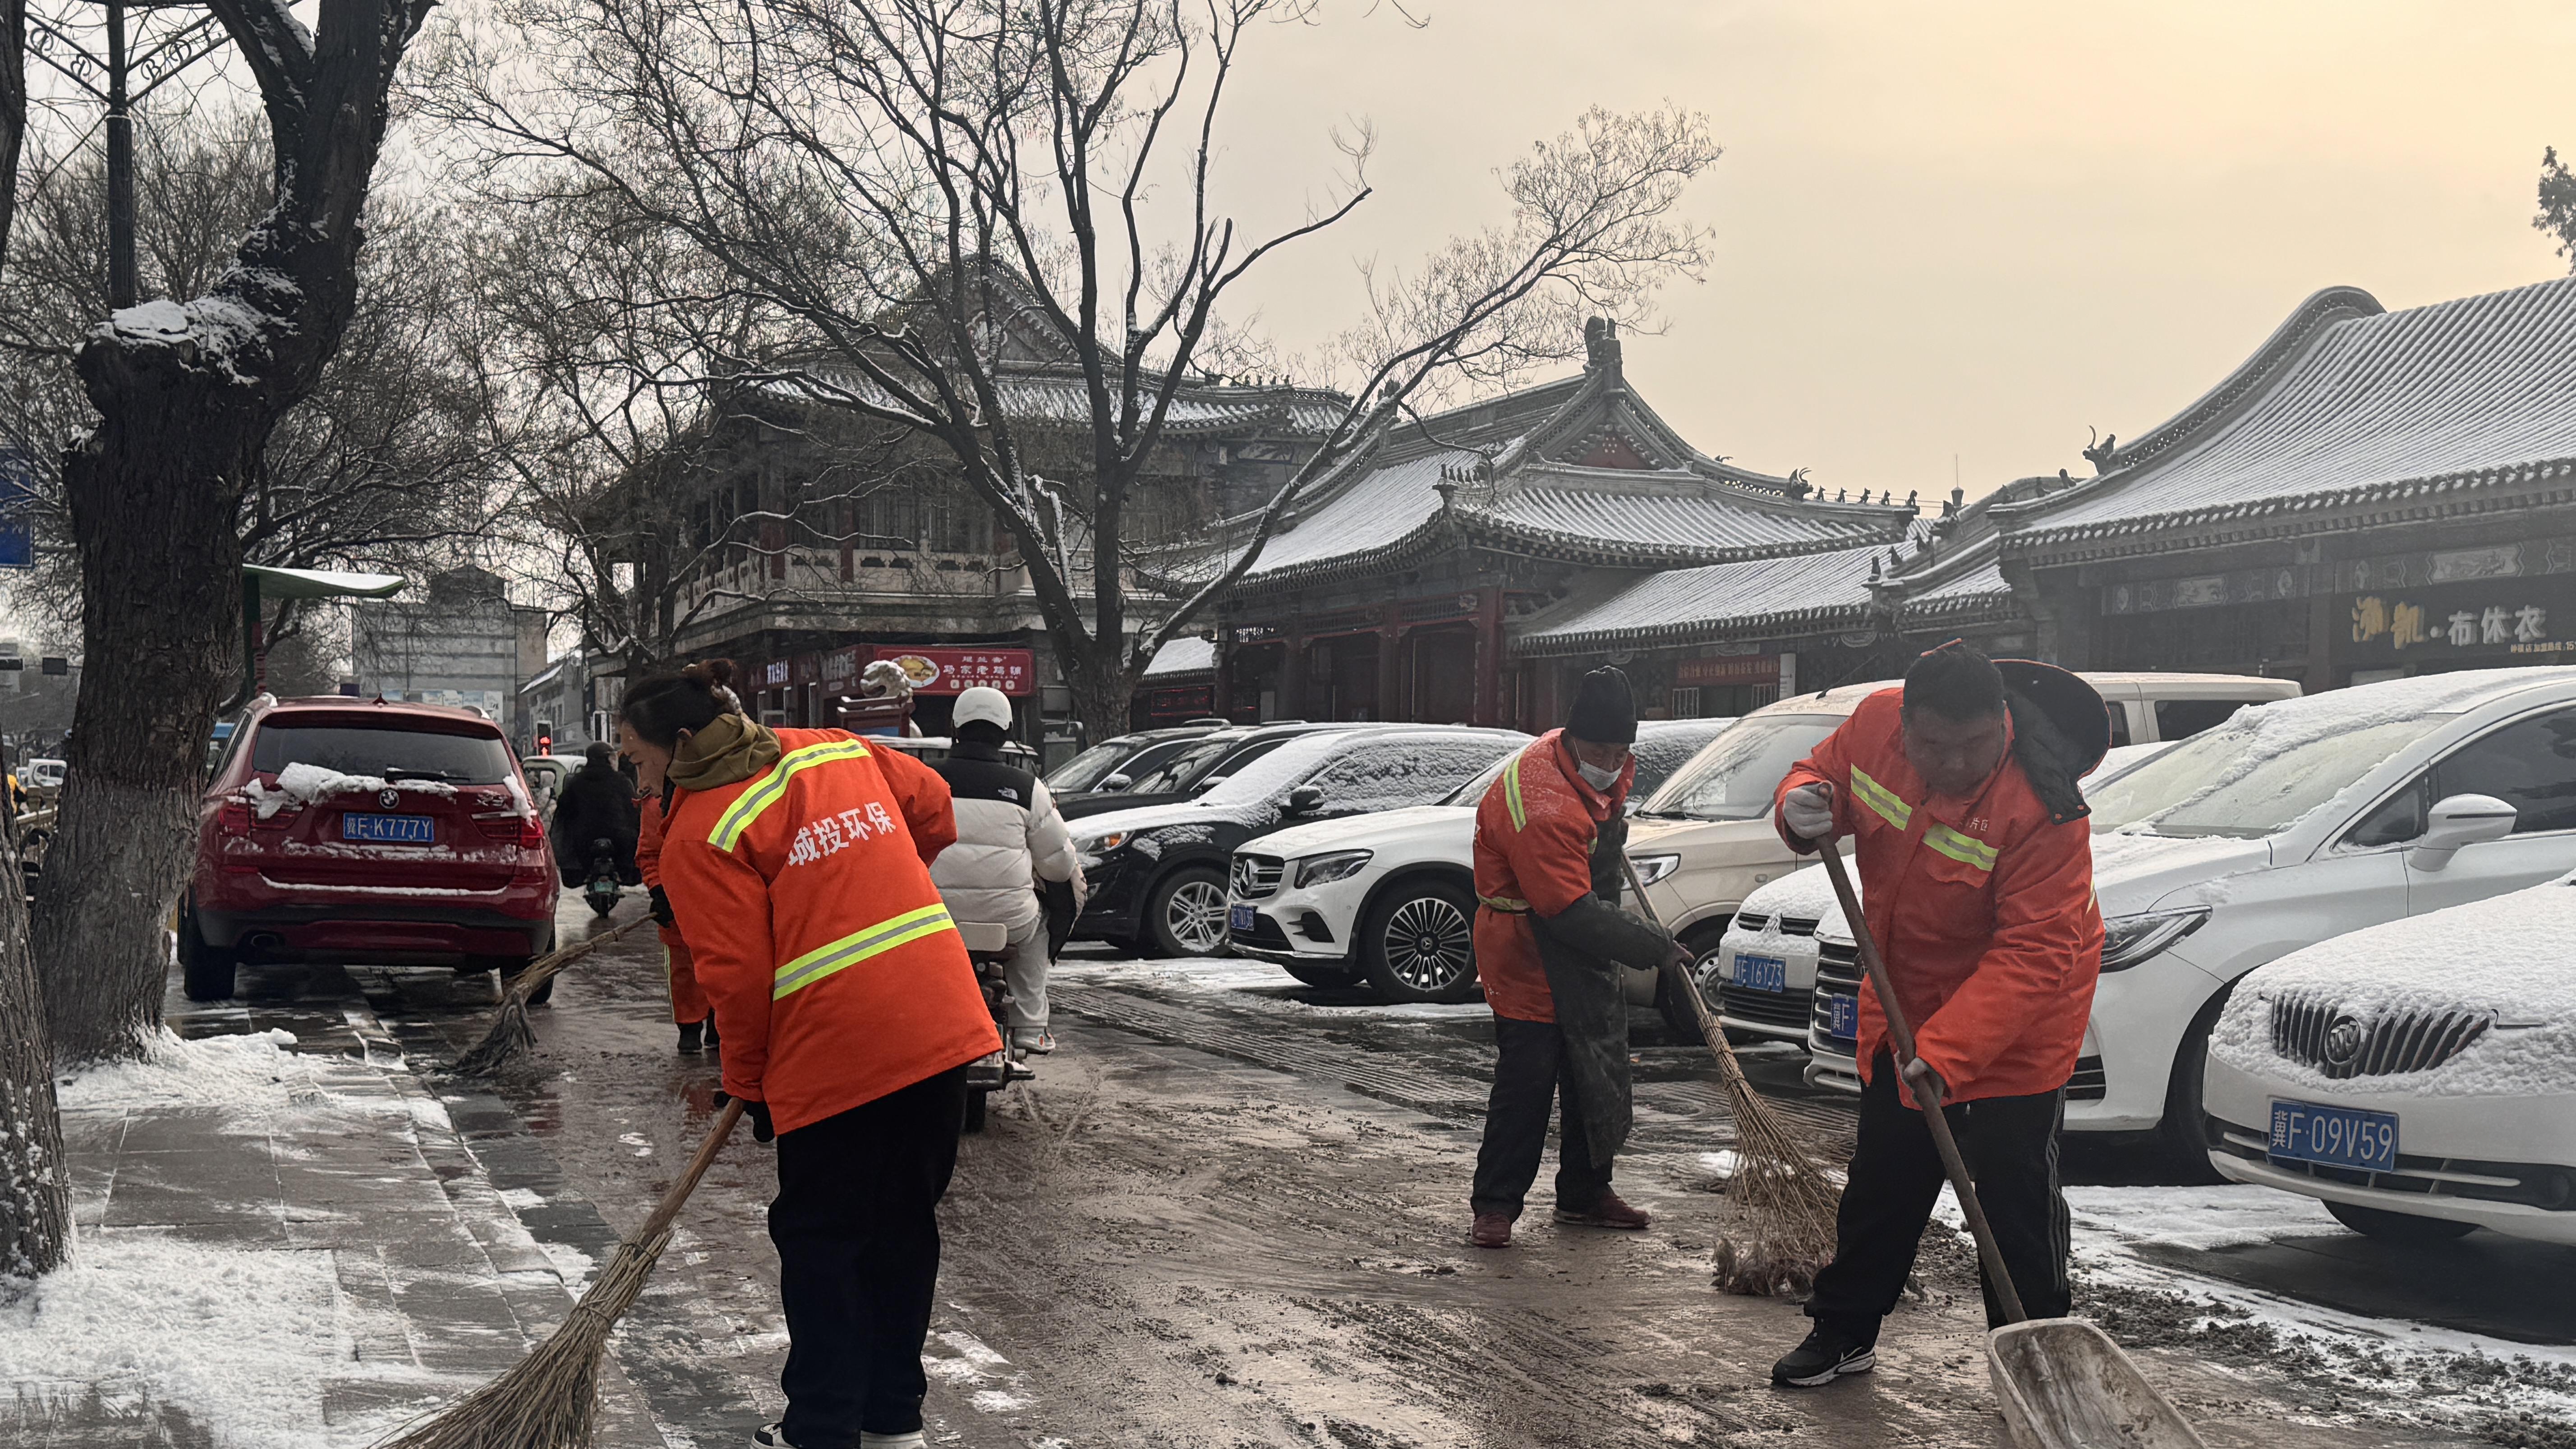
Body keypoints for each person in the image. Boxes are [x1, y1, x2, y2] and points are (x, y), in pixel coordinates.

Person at [622, 659, 1000, 1449]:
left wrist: (748, 1079)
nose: (637, 776)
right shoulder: (835, 749)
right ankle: (892, 1420)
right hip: (940, 1021)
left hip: (836, 1046)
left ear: (682, 740)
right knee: (902, 1226)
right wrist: (874, 879)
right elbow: (933, 809)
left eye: (637, 757)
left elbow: (738, 974)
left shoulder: (701, 828)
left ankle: (822, 1427)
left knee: (824, 1240)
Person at [1765, 641, 2105, 1388]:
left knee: (2014, 1196)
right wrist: (1801, 801)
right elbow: (1822, 775)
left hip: (2018, 1021)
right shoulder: (1874, 725)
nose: (1952, 763)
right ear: (1907, 724)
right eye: (1933, 746)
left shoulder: (2044, 806)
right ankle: (1844, 1330)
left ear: (2002, 723)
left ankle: (2032, 1357)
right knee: (1885, 1176)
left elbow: (2035, 952)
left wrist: (1948, 1052)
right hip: (1903, 998)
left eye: (1973, 746)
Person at [1466, 666, 1688, 1250]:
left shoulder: (1593, 771)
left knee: (1598, 1066)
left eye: (1621, 752)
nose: (1612, 763)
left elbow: (1595, 854)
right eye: (1600, 751)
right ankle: (1496, 1204)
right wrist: (1655, 948)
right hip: (1526, 943)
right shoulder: (1543, 804)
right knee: (1530, 1077)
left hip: (1583, 934)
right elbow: (1567, 911)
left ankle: (1587, 1192)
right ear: (1571, 739)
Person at [925, 686, 1081, 1056]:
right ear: (1008, 731)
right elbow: (1059, 864)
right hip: (1008, 920)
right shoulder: (1028, 788)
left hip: (931, 915)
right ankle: (1030, 1026)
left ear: (955, 727)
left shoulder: (924, 780)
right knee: (1040, 925)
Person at [633, 743, 716, 1054]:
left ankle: (719, 1027)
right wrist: (658, 890)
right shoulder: (656, 805)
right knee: (684, 971)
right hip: (677, 907)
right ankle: (690, 1029)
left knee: (725, 968)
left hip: (719, 905)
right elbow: (649, 854)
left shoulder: (717, 796)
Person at [550, 741, 641, 889]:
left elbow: (564, 810)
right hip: (620, 838)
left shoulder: (576, 782)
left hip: (584, 839)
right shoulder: (622, 781)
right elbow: (633, 808)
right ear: (607, 759)